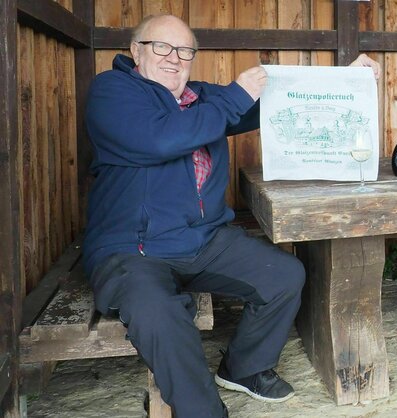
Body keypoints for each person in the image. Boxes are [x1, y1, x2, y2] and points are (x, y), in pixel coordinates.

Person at [82, 14, 381, 417]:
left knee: (284, 275)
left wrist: (343, 80)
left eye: (185, 50)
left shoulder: (201, 98)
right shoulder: (112, 91)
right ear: (136, 51)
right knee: (158, 314)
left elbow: (277, 103)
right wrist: (235, 95)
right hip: (133, 250)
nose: (174, 58)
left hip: (203, 241)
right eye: (162, 47)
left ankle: (245, 367)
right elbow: (161, 137)